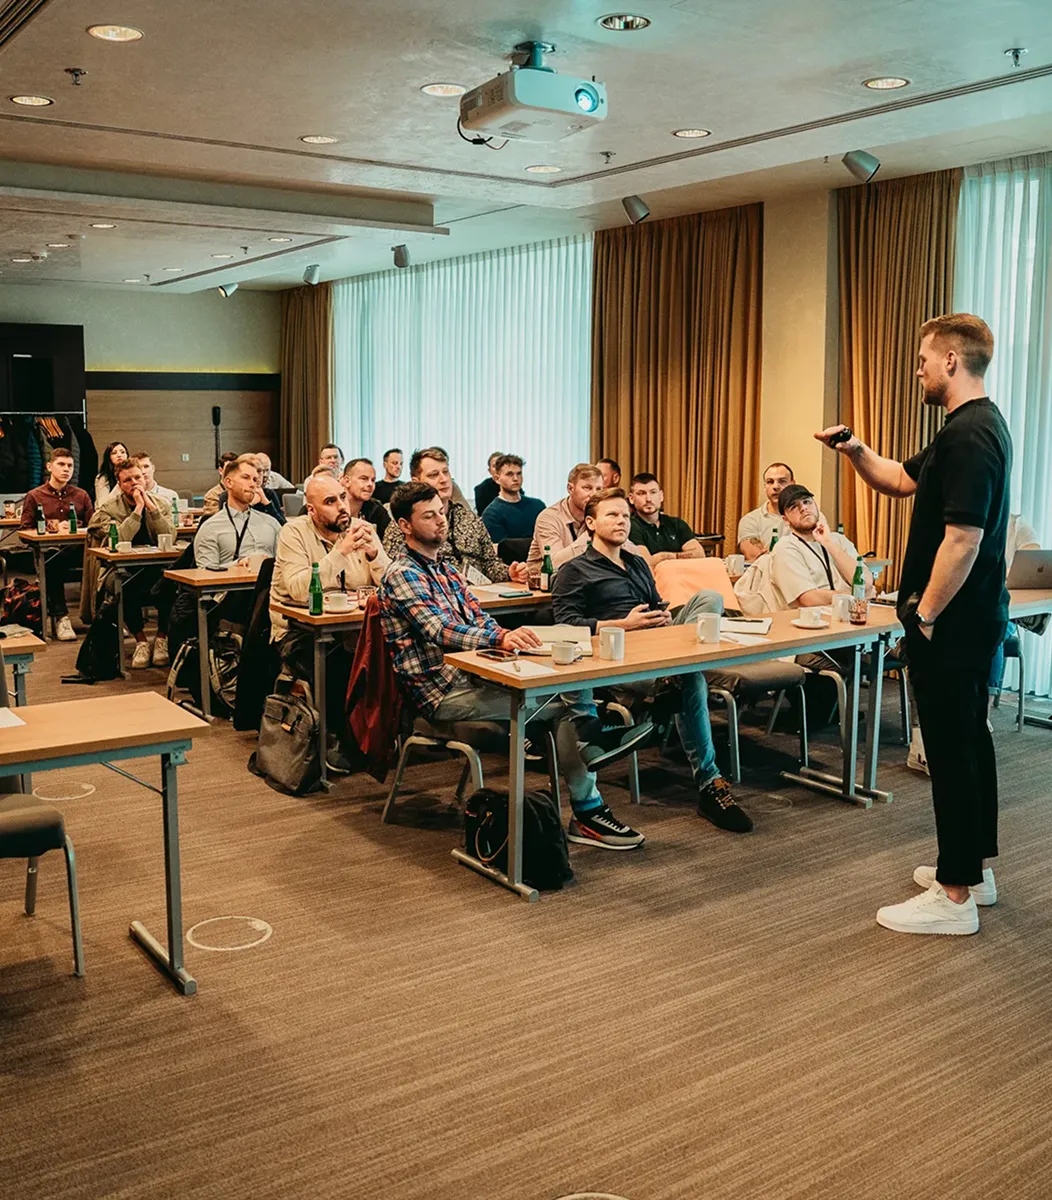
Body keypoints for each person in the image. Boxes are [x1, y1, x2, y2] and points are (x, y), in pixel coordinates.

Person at [817, 312, 1011, 936]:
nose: (918, 369)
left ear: (952, 361)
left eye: (924, 358)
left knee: (952, 753)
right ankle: (973, 873)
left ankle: (954, 896)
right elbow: (900, 479)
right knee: (969, 744)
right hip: (969, 623)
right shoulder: (970, 429)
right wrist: (852, 449)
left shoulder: (970, 437)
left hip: (952, 626)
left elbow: (963, 539)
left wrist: (923, 615)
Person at [380, 482, 650, 849]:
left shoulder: (445, 569)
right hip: (442, 693)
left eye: (442, 512)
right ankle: (589, 806)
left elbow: (480, 619)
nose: (441, 521)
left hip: (478, 673)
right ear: (404, 525)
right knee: (569, 709)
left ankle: (592, 756)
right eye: (429, 516)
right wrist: (499, 640)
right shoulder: (402, 572)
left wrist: (511, 639)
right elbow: (438, 630)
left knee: (568, 663)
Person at [552, 489, 751, 834]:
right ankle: (710, 784)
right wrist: (622, 625)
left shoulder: (637, 562)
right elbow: (564, 627)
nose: (621, 522)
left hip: (660, 644)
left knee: (709, 597)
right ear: (590, 522)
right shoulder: (574, 570)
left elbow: (656, 604)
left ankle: (675, 674)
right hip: (620, 658)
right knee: (694, 679)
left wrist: (663, 618)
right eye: (612, 515)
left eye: (625, 517)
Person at [270, 472, 390, 771]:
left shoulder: (364, 530)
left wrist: (374, 554)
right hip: (297, 632)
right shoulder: (293, 533)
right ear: (311, 509)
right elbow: (298, 589)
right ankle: (345, 742)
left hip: (354, 630)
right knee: (344, 666)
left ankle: (381, 737)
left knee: (391, 656)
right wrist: (340, 552)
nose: (342, 507)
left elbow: (390, 583)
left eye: (342, 498)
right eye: (330, 501)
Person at [382, 447, 528, 585]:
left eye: (445, 472)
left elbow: (490, 563)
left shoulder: (469, 518)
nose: (444, 479)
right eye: (434, 475)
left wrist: (509, 573)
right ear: (416, 482)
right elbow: (396, 573)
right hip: (438, 598)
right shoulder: (405, 525)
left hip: (483, 596)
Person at [87, 459, 176, 668]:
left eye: (138, 477)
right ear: (120, 484)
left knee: (172, 582)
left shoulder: (161, 503)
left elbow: (168, 537)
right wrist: (137, 510)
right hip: (119, 570)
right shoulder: (108, 508)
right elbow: (118, 539)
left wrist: (151, 508)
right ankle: (141, 641)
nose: (134, 483)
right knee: (125, 586)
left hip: (155, 567)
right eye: (128, 480)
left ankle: (162, 638)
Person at [19, 446, 94, 641]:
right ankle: (61, 617)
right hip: (49, 551)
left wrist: (76, 527)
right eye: (61, 464)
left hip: (79, 550)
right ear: (49, 466)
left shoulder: (81, 495)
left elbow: (94, 527)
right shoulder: (35, 496)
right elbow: (24, 531)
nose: (66, 469)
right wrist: (50, 528)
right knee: (52, 560)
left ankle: (105, 618)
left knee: (102, 560)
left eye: (70, 465)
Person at [528, 463, 646, 577]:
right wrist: (593, 533)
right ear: (570, 488)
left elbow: (633, 553)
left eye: (599, 489)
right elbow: (554, 564)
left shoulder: (601, 516)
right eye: (587, 488)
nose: (594, 495)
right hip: (545, 588)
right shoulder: (548, 518)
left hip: (588, 579)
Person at [194, 456, 282, 570]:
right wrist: (236, 564)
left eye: (255, 480)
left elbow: (286, 561)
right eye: (246, 478)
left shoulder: (271, 523)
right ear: (229, 483)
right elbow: (205, 572)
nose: (252, 484)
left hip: (269, 586)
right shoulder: (210, 528)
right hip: (230, 585)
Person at [628, 473, 705, 565]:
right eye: (641, 493)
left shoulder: (676, 523)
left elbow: (700, 554)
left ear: (661, 496)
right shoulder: (629, 526)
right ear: (631, 498)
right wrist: (682, 556)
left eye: (653, 492)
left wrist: (664, 557)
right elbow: (647, 562)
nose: (648, 499)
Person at [737, 462, 795, 561]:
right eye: (770, 482)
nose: (776, 487)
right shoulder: (750, 520)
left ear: (792, 484)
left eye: (782, 481)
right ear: (765, 486)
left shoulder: (808, 516)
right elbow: (756, 557)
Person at [480, 455, 545, 542]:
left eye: (519, 474)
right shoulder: (491, 514)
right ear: (497, 479)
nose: (515, 478)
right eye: (509, 474)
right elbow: (505, 549)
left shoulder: (538, 505)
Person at [340, 458, 392, 538]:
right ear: (347, 481)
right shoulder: (334, 507)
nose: (370, 484)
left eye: (373, 480)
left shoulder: (376, 509)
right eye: (364, 479)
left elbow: (391, 539)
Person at [107, 452, 179, 508]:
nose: (143, 471)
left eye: (146, 466)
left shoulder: (170, 495)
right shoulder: (121, 496)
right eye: (140, 468)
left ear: (153, 468)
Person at [474, 451, 503, 516]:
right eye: (494, 466)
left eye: (501, 465)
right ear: (489, 471)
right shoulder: (481, 489)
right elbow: (483, 515)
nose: (498, 468)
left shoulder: (513, 486)